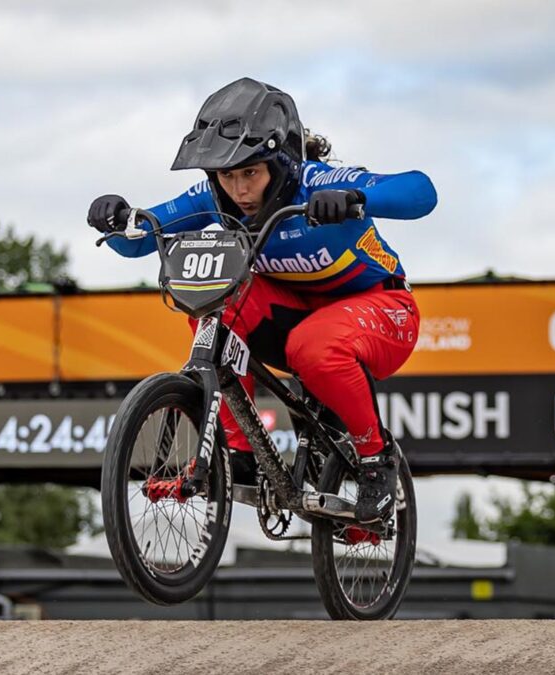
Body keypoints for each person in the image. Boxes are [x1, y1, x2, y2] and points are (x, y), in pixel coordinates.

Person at [87, 78, 436, 523]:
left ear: (281, 164)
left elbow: (422, 191)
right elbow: (140, 240)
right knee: (211, 300)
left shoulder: (315, 183)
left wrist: (356, 198)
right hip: (296, 321)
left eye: (251, 173)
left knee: (313, 344)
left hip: (383, 313)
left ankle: (375, 460)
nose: (240, 190)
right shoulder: (214, 198)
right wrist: (115, 220)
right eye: (227, 176)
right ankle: (239, 453)